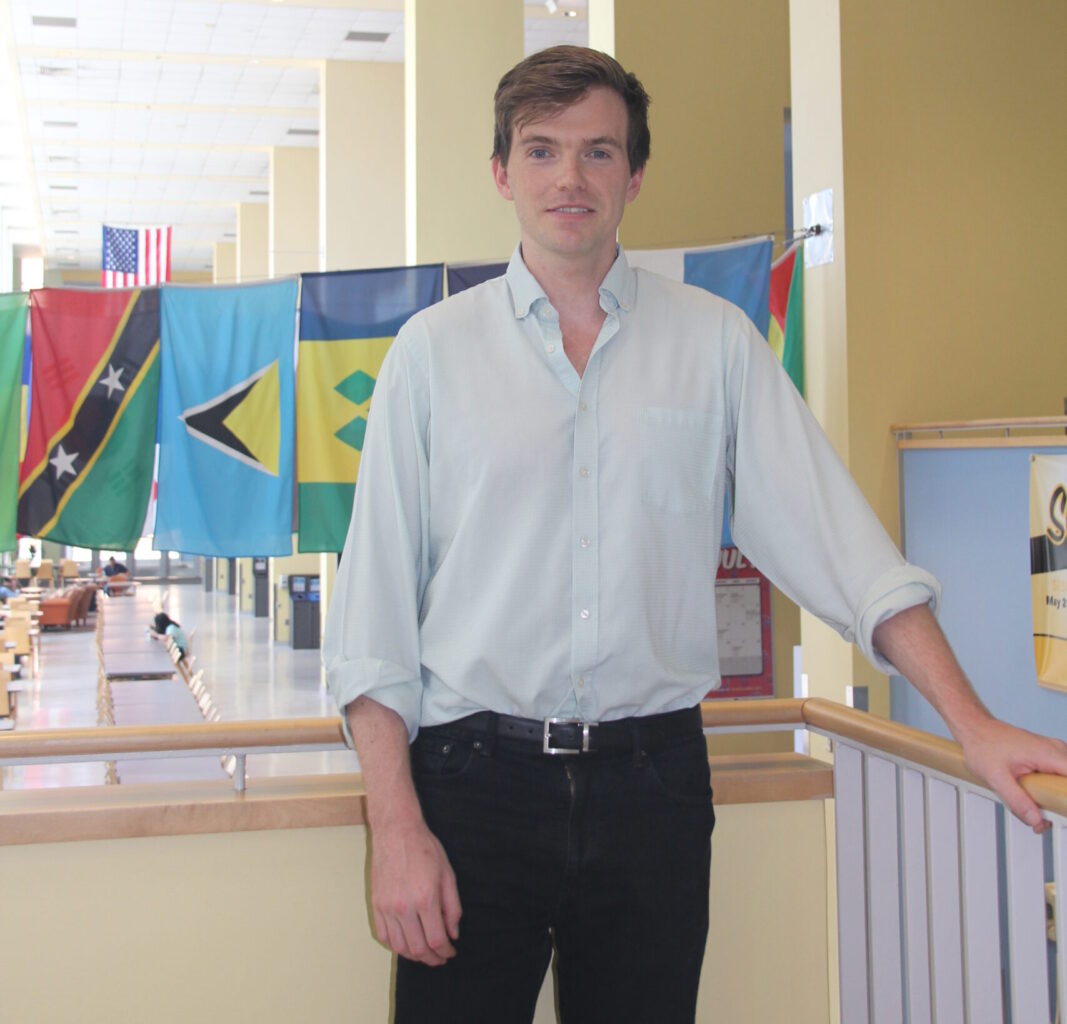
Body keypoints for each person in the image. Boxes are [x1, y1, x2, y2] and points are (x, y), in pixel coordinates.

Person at [323, 45, 1067, 1023]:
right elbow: (373, 613)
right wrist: (396, 824)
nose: (569, 178)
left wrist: (970, 722)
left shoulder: (713, 343)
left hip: (652, 790)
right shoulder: (429, 354)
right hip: (471, 789)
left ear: (633, 174)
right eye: (540, 151)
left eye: (598, 152)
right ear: (502, 172)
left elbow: (843, 550)